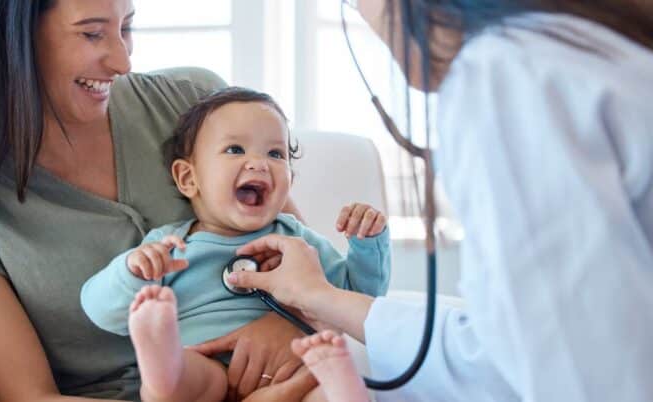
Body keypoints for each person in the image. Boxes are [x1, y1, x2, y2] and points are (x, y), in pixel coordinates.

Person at [224, 1, 653, 401]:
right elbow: (509, 352)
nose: (371, 26)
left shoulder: (507, 75)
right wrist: (317, 296)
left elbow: (580, 379)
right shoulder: (583, 52)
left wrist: (327, 286)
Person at [0, 1, 315, 401]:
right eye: (93, 33)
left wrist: (289, 325)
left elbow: (309, 262)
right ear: (10, 39)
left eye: (126, 27)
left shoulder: (196, 102)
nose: (123, 62)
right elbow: (31, 397)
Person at [80, 87, 391, 402]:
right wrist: (134, 271)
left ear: (290, 181)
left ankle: (342, 389)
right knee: (185, 377)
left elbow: (353, 299)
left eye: (275, 154)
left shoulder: (296, 241)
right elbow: (99, 309)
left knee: (320, 392)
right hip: (203, 363)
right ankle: (160, 355)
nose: (258, 163)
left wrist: (366, 243)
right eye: (235, 149)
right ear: (188, 178)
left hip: (291, 368)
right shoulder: (170, 246)